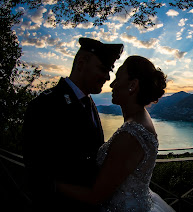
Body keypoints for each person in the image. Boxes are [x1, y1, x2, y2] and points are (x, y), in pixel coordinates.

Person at [57, 55, 176, 211]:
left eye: (118, 78)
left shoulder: (131, 135)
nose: (112, 84)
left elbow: (95, 196)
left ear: (132, 85)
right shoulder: (140, 119)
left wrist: (54, 184)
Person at [22, 37, 124, 211]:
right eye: (102, 69)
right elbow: (37, 172)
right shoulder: (46, 105)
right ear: (81, 63)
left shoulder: (89, 102)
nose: (107, 77)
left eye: (109, 71)